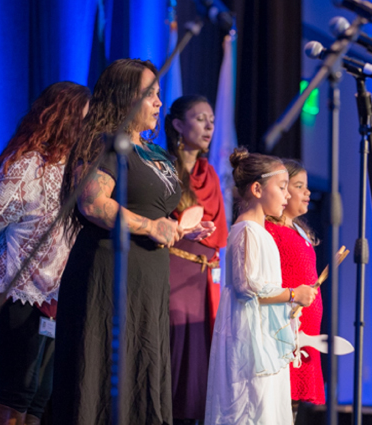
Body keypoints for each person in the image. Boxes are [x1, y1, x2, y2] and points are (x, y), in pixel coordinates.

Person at [53, 59, 212, 425]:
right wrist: (150, 227)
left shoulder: (156, 153)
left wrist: (176, 228)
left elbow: (153, 212)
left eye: (159, 93)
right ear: (125, 98)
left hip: (149, 280)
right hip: (107, 275)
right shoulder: (104, 143)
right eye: (150, 94)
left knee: (142, 375)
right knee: (103, 377)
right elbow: (92, 203)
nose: (159, 102)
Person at [0, 81, 91, 425]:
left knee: (41, 395)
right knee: (17, 389)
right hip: (17, 290)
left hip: (56, 294)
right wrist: (12, 244)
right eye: (82, 120)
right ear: (64, 119)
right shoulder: (30, 163)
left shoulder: (77, 172)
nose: (88, 128)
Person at [204, 147, 318, 424]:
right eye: (281, 187)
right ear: (257, 189)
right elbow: (248, 288)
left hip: (264, 338)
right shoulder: (246, 231)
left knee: (268, 409)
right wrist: (293, 294)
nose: (288, 195)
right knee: (251, 408)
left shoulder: (260, 232)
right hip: (249, 341)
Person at [164, 95, 228, 424]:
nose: (209, 126)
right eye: (200, 118)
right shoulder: (162, 167)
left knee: (202, 358)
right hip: (173, 270)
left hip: (205, 277)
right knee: (175, 352)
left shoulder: (211, 174)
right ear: (177, 124)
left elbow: (219, 232)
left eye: (212, 120)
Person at [265, 159, 325, 410]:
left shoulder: (300, 232)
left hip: (305, 339)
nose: (308, 192)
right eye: (299, 186)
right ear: (283, 191)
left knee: (294, 407)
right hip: (285, 332)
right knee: (281, 404)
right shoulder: (269, 230)